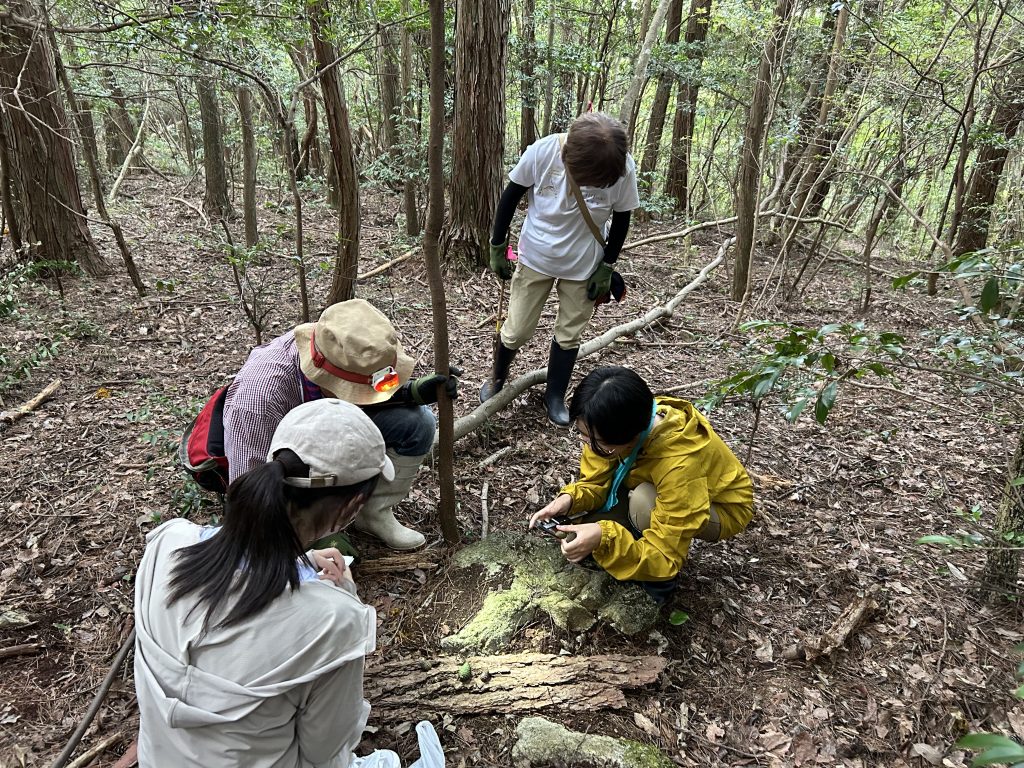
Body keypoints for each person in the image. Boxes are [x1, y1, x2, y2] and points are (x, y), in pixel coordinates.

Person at [134, 399, 388, 766]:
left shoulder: (167, 543)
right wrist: (341, 594)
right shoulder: (334, 621)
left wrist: (295, 566)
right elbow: (325, 750)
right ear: (352, 506)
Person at [222, 299, 458, 550]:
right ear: (329, 378)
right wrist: (312, 534)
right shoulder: (258, 402)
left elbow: (368, 390)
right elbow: (249, 491)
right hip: (289, 465)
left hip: (329, 427)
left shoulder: (345, 347)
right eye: (355, 390)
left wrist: (411, 392)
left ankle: (373, 514)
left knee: (417, 422)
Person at [529, 367, 754, 604]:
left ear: (631, 436)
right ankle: (633, 530)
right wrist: (569, 500)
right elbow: (597, 480)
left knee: (644, 501)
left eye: (598, 443)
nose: (588, 445)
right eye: (583, 435)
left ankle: (659, 585)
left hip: (722, 507)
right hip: (650, 481)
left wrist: (605, 537)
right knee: (597, 524)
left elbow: (665, 554)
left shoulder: (680, 464)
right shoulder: (610, 422)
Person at [481, 112, 641, 426]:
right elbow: (510, 196)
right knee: (517, 329)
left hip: (584, 263)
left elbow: (622, 217)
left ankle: (554, 395)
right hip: (536, 256)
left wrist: (607, 266)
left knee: (570, 333)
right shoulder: (542, 152)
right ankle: (498, 378)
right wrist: (498, 245)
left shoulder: (623, 167)